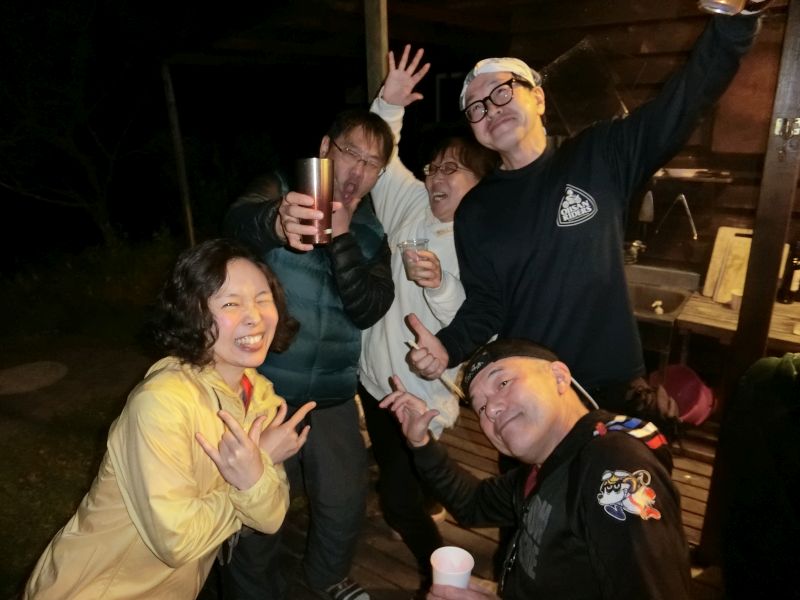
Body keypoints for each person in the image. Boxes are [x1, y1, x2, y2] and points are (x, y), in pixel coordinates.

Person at [405, 4, 771, 415]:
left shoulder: (599, 154)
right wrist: (447, 347)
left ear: (538, 97)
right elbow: (486, 304)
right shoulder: (475, 209)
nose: (491, 109)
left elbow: (683, 103)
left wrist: (737, 21)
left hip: (614, 385)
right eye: (476, 108)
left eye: (502, 91)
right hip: (532, 390)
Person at [23, 238, 312, 600]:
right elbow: (176, 542)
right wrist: (260, 463)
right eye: (231, 303)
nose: (254, 316)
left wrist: (254, 476)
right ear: (194, 314)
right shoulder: (162, 403)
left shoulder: (262, 398)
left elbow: (269, 518)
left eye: (262, 298)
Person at [223, 109, 395, 600]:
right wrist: (276, 222)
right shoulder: (280, 189)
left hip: (332, 395)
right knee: (256, 505)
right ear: (325, 148)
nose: (358, 171)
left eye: (372, 163)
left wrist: (342, 238)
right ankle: (251, 592)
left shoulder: (373, 230)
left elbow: (370, 307)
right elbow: (236, 223)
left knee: (344, 500)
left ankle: (326, 578)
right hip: (265, 389)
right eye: (350, 153)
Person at [380, 338, 691, 599]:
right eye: (480, 407)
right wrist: (421, 441)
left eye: (503, 383)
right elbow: (473, 504)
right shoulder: (546, 467)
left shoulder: (612, 466)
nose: (492, 409)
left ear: (559, 377)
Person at [359, 45, 499, 597]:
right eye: (433, 167)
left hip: (419, 395)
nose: (436, 176)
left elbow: (479, 323)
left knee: (397, 500)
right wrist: (389, 104)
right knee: (409, 470)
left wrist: (439, 283)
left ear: (481, 182)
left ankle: (440, 576)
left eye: (452, 168)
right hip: (374, 379)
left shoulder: (486, 236)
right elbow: (383, 166)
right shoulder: (413, 205)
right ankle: (430, 495)